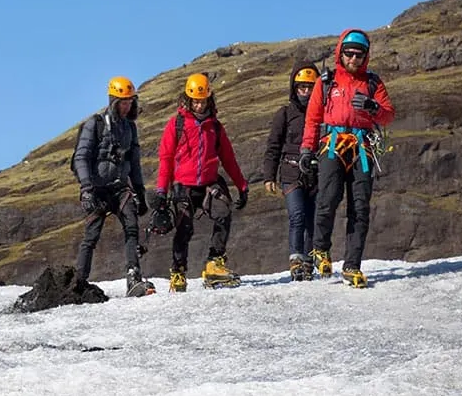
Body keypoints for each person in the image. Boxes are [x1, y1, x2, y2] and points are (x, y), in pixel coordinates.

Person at [300, 29, 396, 288]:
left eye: (359, 54)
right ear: (340, 53)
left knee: (360, 207)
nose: (353, 59)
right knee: (328, 198)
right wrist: (306, 150)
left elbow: (388, 114)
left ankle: (352, 265)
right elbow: (313, 118)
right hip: (332, 145)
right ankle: (320, 249)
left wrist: (374, 108)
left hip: (362, 147)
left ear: (366, 56)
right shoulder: (326, 81)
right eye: (349, 53)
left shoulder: (373, 83)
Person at [152, 73, 249, 291]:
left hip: (209, 183)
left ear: (209, 100)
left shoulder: (215, 127)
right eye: (195, 101)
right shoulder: (175, 125)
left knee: (224, 213)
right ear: (187, 99)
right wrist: (161, 191)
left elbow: (228, 158)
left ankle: (215, 263)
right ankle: (177, 272)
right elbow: (166, 159)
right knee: (184, 228)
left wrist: (242, 185)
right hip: (183, 185)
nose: (199, 105)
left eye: (202, 101)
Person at [71, 76, 154, 297]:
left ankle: (133, 278)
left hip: (120, 188)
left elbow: (134, 163)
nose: (127, 106)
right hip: (96, 190)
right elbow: (81, 157)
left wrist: (140, 192)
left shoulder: (130, 128)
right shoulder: (94, 125)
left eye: (130, 102)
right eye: (123, 102)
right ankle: (79, 283)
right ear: (113, 101)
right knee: (91, 236)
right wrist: (86, 189)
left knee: (132, 227)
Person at [262, 62, 321, 281]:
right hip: (290, 173)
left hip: (317, 175)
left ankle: (308, 261)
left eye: (310, 87)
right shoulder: (284, 114)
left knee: (312, 219)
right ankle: (296, 258)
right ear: (294, 88)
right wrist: (269, 176)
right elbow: (273, 146)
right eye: (301, 87)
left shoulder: (324, 114)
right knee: (297, 216)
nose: (305, 92)